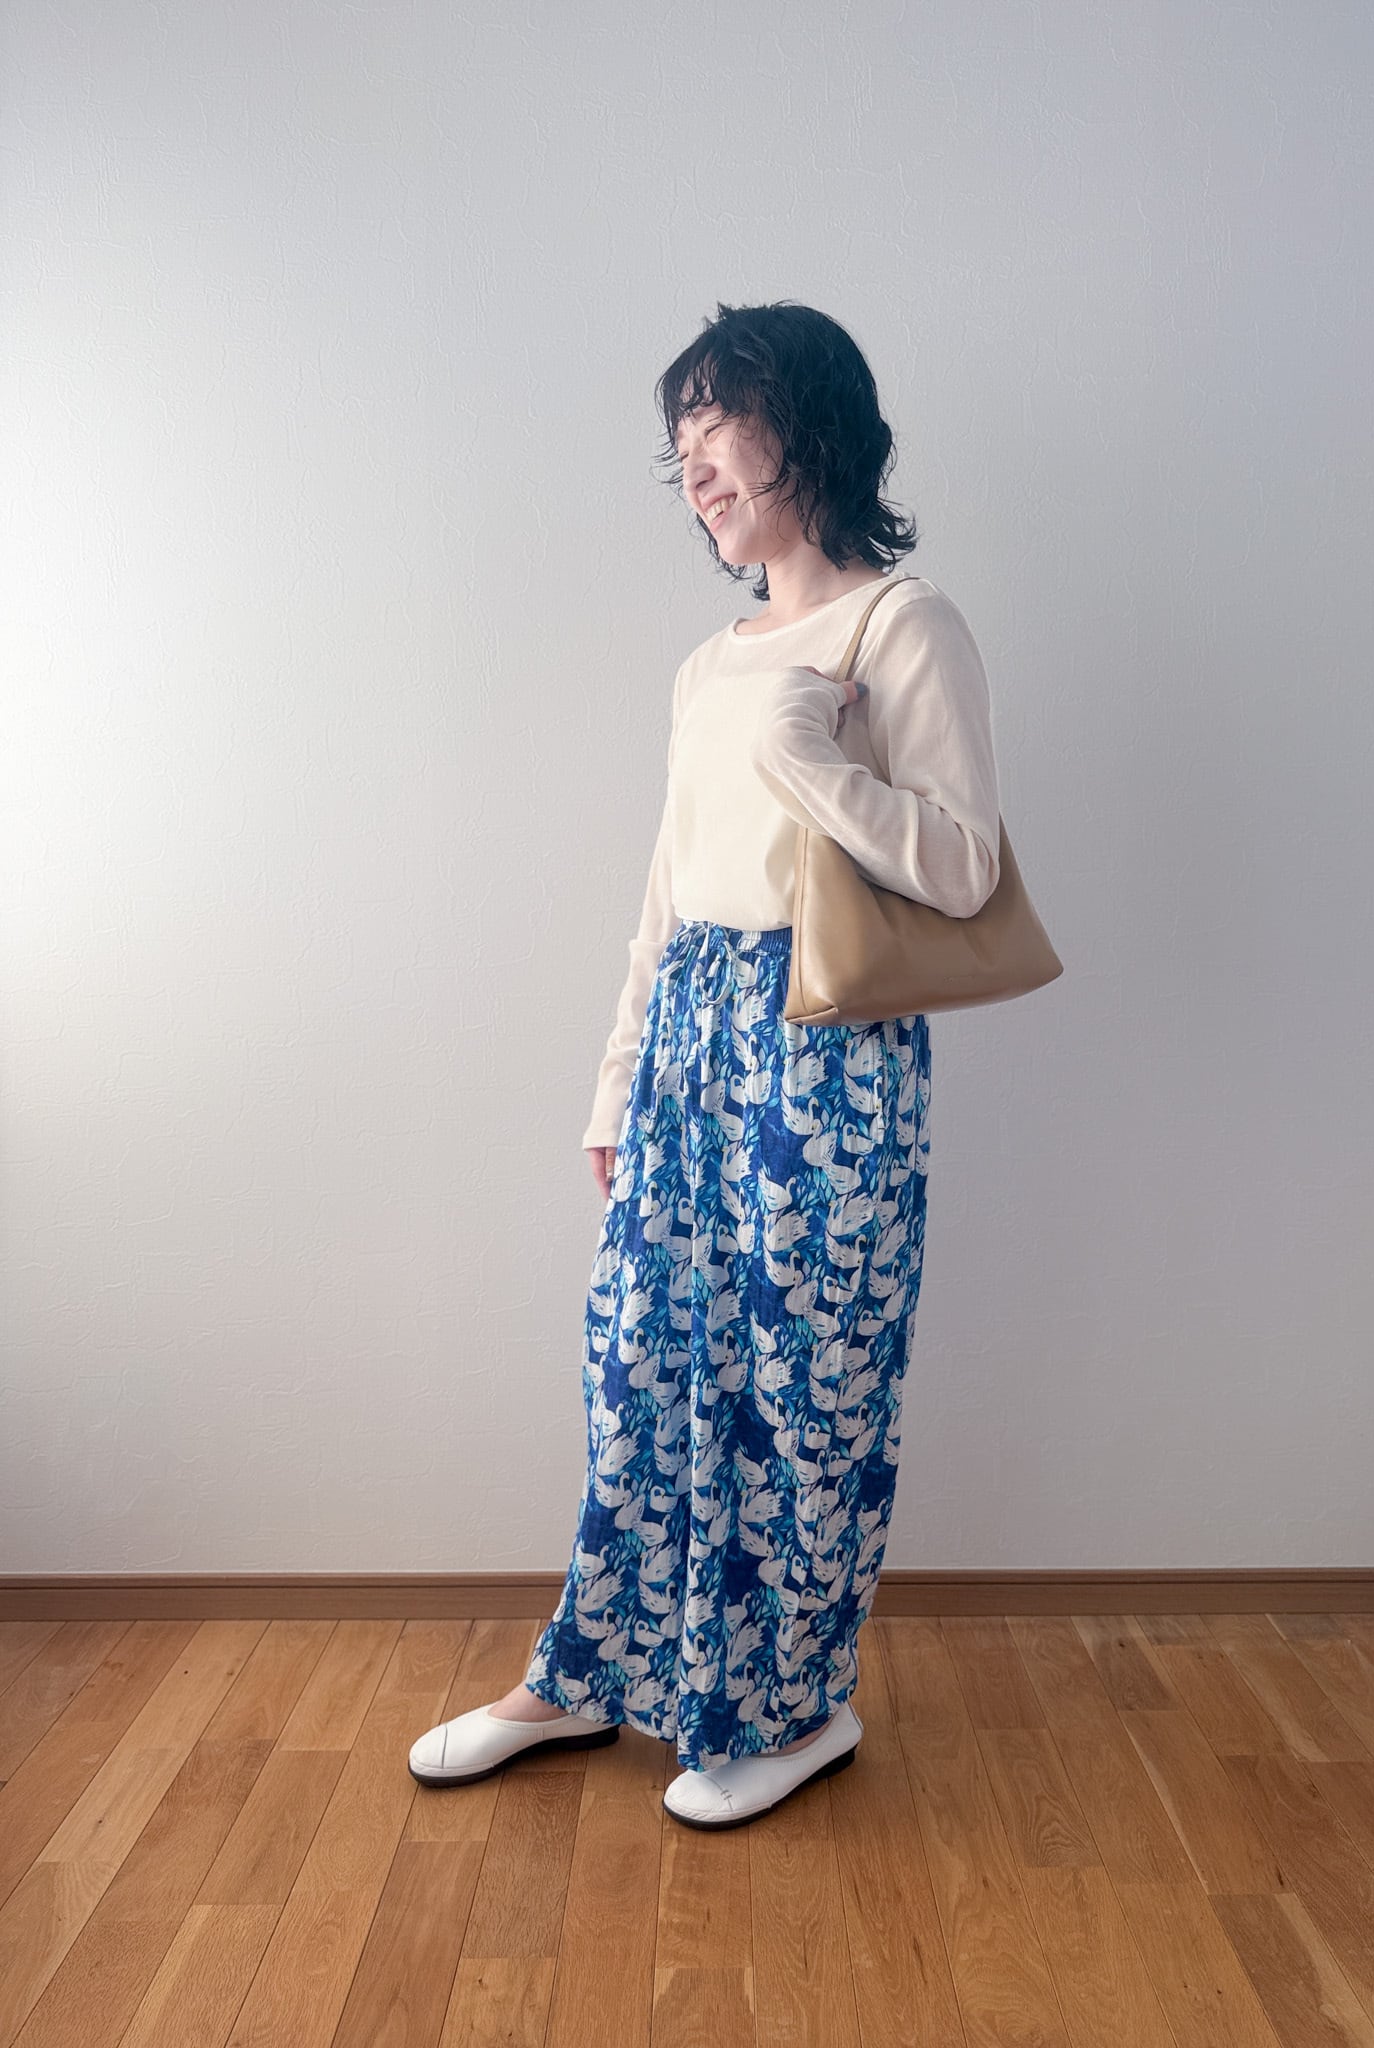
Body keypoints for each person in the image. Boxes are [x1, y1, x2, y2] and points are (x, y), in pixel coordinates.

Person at [409, 300, 1002, 1827]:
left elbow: (964, 868)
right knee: (641, 1369)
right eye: (679, 448)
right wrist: (616, 1081)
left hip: (831, 1045)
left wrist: (811, 760)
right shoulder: (705, 665)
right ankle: (585, 1674)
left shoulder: (901, 626)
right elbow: (666, 894)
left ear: (807, 426)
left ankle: (795, 1713)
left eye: (717, 430)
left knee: (807, 1387)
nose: (695, 472)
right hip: (689, 1040)